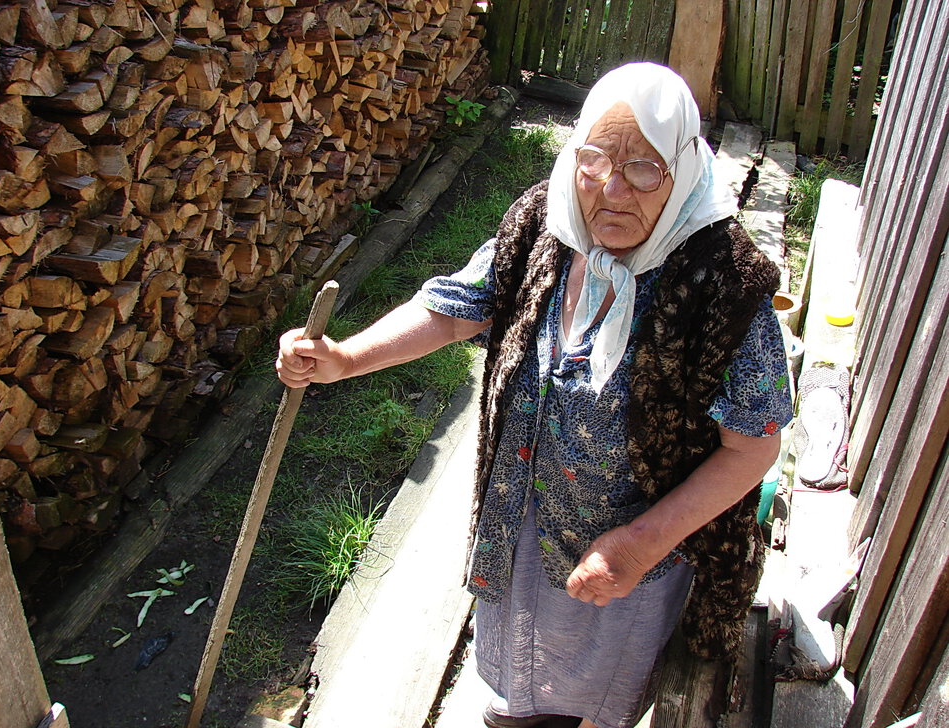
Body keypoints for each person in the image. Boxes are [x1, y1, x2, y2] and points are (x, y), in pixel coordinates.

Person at [277, 63, 793, 728]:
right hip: (524, 521)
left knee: (607, 675)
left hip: (636, 549)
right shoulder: (547, 225)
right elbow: (459, 306)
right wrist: (345, 359)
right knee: (520, 663)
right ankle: (520, 707)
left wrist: (637, 544)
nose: (610, 189)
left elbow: (752, 450)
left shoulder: (725, 282)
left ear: (684, 172)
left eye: (643, 169)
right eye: (595, 159)